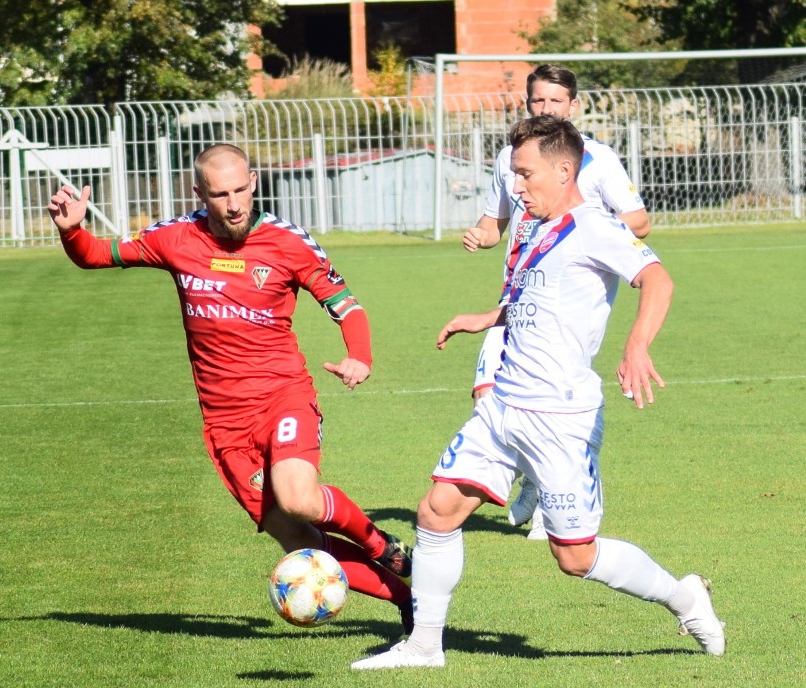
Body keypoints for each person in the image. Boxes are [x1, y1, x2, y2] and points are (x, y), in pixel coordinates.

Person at [351, 116, 725, 670]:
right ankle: (424, 647)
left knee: (574, 558)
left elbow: (657, 279)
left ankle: (684, 595)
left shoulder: (596, 226)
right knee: (437, 511)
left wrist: (636, 346)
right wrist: (486, 317)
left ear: (564, 169)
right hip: (502, 406)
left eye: (525, 175)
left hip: (559, 417)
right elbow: (539, 297)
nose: (517, 185)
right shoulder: (538, 227)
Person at [47, 143, 413, 633]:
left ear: (254, 181)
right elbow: (96, 255)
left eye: (241, 189)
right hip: (224, 425)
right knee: (302, 545)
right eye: (220, 194)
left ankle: (382, 547)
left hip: (283, 396)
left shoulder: (287, 242)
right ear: (200, 192)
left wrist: (359, 357)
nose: (234, 203)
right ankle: (411, 600)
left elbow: (347, 305)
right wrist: (73, 229)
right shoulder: (175, 238)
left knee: (299, 498)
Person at [462, 64, 652, 540]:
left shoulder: (597, 160)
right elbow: (495, 222)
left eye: (555, 101)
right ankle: (534, 479)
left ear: (574, 106)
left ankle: (556, 496)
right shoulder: (512, 157)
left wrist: (583, 237)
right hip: (513, 300)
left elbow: (640, 222)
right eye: (537, 101)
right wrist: (482, 236)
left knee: (546, 400)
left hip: (562, 304)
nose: (546, 108)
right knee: (488, 396)